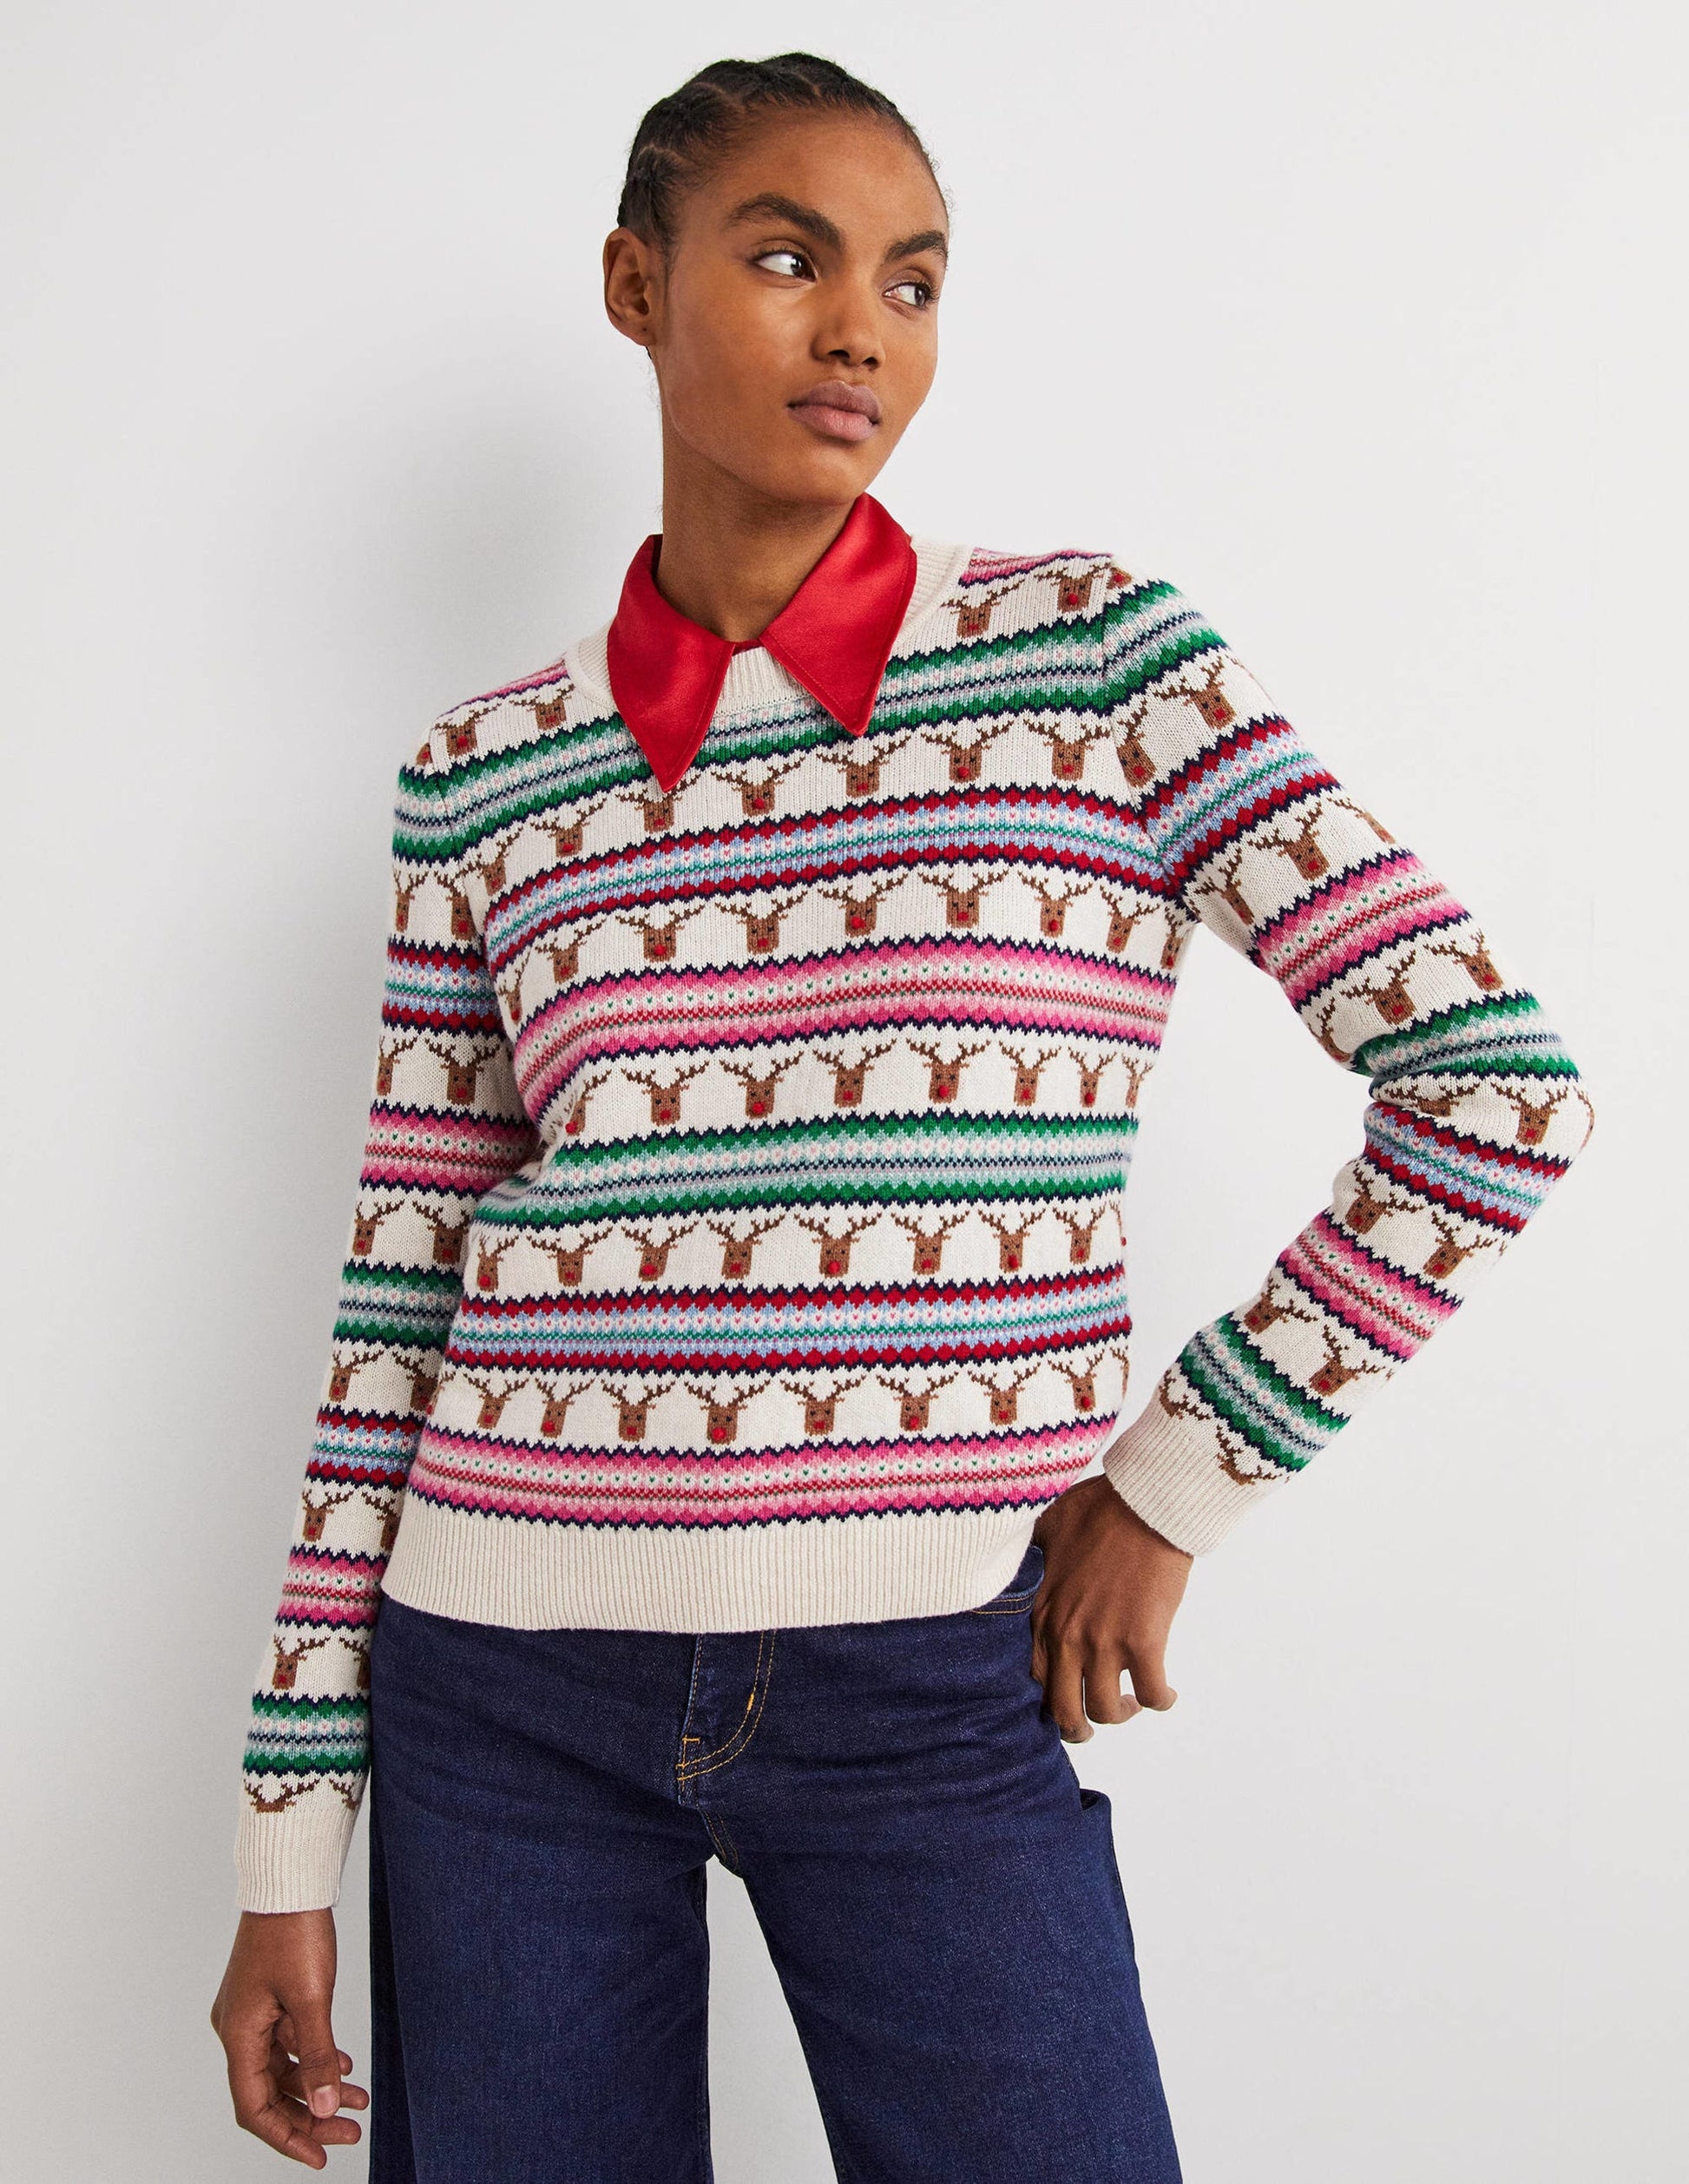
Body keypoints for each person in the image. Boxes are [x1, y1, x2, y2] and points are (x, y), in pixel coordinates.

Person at [209, 51, 1595, 2181]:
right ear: (634, 284)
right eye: (789, 259)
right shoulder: (481, 774)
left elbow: (1492, 1088)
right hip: (499, 1682)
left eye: (913, 281)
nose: (860, 328)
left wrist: (1174, 1482)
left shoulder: (1098, 664)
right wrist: (288, 1836)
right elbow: (400, 1292)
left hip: (935, 1667)